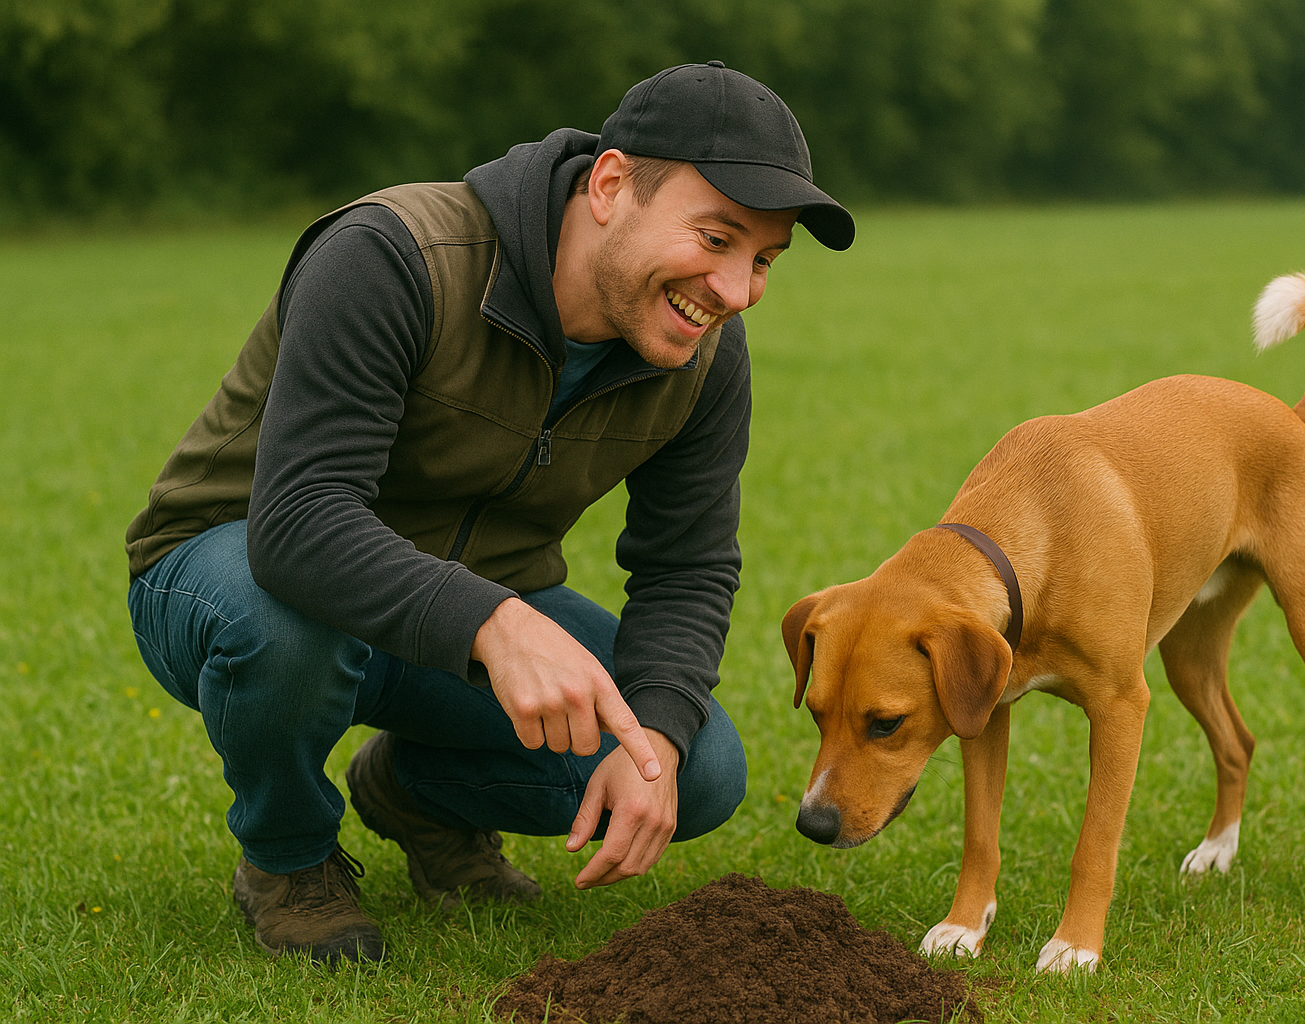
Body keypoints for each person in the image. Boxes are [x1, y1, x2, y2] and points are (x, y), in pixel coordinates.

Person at [123, 62, 854, 965]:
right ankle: (288, 858)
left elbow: (687, 564)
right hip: (235, 570)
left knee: (697, 774)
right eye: (715, 238)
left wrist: (657, 725)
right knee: (292, 630)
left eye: (764, 262)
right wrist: (494, 620)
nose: (735, 291)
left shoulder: (706, 357)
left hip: (461, 619)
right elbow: (302, 518)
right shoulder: (391, 255)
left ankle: (419, 794)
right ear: (612, 184)